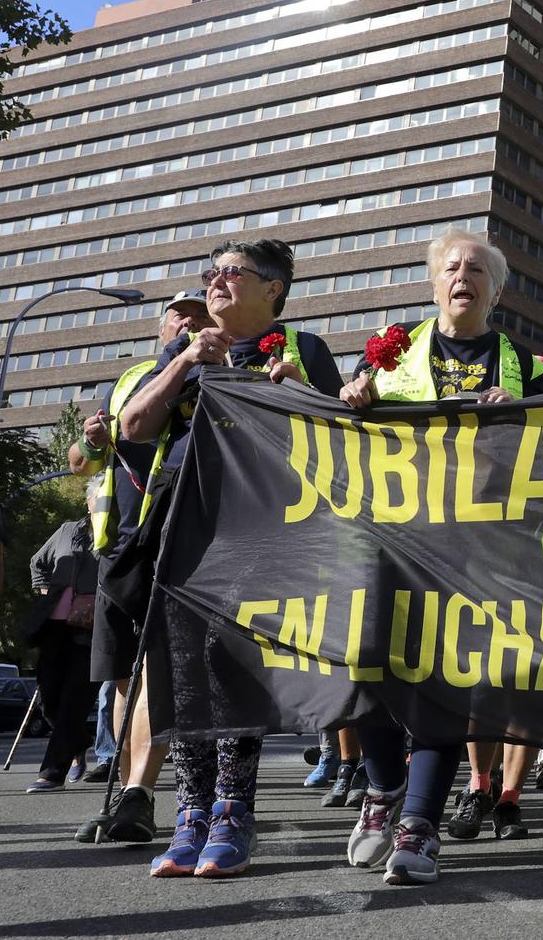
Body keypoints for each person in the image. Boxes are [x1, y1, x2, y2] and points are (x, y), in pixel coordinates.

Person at [336, 228, 543, 885]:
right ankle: (382, 789)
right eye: (451, 267)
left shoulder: (523, 363)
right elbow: (354, 435)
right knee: (367, 668)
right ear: (434, 283)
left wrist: (520, 414)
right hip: (393, 542)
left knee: (443, 684)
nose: (462, 276)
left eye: (477, 270)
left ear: (495, 291)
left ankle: (421, 825)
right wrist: (357, 398)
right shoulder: (389, 356)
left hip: (478, 552)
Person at [118, 238, 343, 878]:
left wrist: (299, 391)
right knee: (182, 667)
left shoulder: (305, 350)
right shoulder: (187, 349)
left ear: (273, 289)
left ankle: (233, 812)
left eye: (232, 274)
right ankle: (190, 812)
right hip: (182, 525)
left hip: (258, 529)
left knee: (230, 664)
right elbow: (134, 427)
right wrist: (185, 357)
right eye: (211, 274)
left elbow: (342, 442)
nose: (217, 283)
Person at [72, 289, 209, 845]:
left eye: (197, 314)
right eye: (178, 314)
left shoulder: (205, 368)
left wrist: (191, 356)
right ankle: (130, 790)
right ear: (160, 325)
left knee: (157, 666)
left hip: (172, 533)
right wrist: (91, 439)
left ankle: (141, 793)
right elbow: (85, 462)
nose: (187, 320)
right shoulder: (131, 377)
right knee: (123, 675)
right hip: (118, 543)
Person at [26, 517, 99, 792]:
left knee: (74, 700)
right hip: (55, 626)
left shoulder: (119, 529)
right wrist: (48, 593)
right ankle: (79, 741)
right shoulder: (68, 530)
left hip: (94, 628)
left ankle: (52, 772)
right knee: (48, 700)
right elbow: (37, 562)